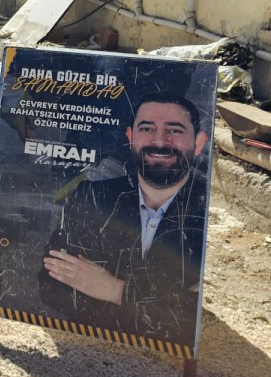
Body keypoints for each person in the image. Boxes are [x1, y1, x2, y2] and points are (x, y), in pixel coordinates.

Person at [38, 92, 210, 348]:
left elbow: (189, 316)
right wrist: (159, 303)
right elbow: (51, 285)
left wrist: (114, 290)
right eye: (147, 129)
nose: (159, 141)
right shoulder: (91, 197)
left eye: (174, 130)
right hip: (93, 352)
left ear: (198, 142)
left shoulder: (208, 213)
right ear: (131, 137)